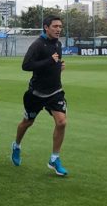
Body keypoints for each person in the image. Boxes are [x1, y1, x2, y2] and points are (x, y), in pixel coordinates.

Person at [11, 15, 68, 176]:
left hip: (55, 92)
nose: (58, 29)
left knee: (62, 122)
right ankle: (16, 145)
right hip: (36, 93)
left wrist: (59, 65)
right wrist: (50, 61)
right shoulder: (37, 45)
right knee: (27, 123)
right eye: (55, 26)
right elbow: (26, 65)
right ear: (46, 27)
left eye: (60, 26)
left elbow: (55, 62)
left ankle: (54, 158)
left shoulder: (58, 44)